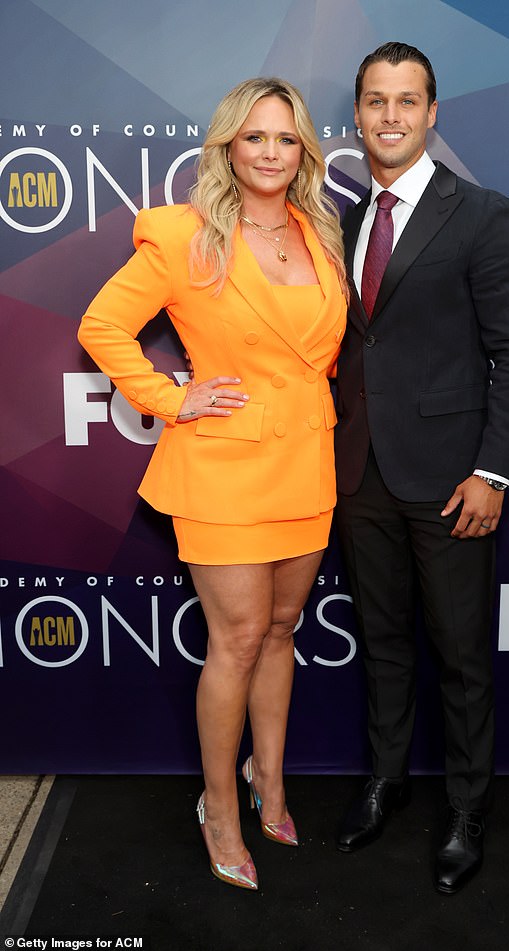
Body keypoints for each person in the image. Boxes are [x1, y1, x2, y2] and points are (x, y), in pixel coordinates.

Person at [78, 77, 347, 892]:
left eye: (287, 138)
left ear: (304, 150)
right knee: (234, 639)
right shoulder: (185, 236)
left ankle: (271, 781)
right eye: (255, 137)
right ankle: (219, 808)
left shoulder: (321, 230)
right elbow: (102, 325)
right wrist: (171, 396)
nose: (271, 152)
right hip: (224, 466)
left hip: (308, 461)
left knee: (281, 628)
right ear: (229, 144)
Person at [333, 42, 509, 893]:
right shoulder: (336, 220)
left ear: (432, 113)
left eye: (406, 101)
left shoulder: (483, 214)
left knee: (459, 655)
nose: (390, 115)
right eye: (375, 101)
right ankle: (386, 781)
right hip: (358, 474)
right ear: (356, 114)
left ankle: (467, 808)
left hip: (453, 478)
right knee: (383, 644)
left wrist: (492, 473)